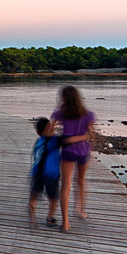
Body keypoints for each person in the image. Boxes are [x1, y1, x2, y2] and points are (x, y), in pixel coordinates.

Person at [51, 85, 95, 232]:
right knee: (80, 180)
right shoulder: (88, 114)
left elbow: (49, 130)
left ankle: (65, 222)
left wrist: (65, 138)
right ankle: (80, 210)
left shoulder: (60, 113)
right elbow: (91, 134)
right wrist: (81, 137)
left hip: (68, 150)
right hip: (83, 150)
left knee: (66, 185)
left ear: (64, 98)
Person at [28, 116, 61, 228]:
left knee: (33, 197)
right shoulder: (55, 140)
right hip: (51, 174)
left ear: (37, 132)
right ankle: (50, 218)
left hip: (37, 173)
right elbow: (68, 140)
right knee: (54, 198)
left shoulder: (39, 142)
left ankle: (33, 219)